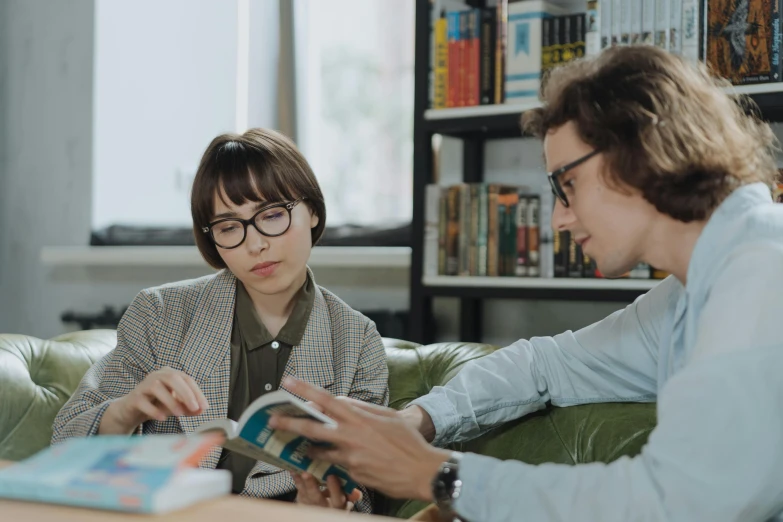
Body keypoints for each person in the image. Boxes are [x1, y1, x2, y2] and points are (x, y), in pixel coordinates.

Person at [269, 45, 783, 521]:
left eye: (568, 185)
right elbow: (546, 364)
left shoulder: (761, 271)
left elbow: (678, 502)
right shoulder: (688, 294)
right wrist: (416, 421)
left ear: (643, 149)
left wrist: (441, 475)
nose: (559, 218)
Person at [52, 128, 388, 513]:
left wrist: (323, 505)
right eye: (229, 227)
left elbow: (365, 491)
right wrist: (126, 411)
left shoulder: (358, 341)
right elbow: (65, 440)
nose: (255, 244)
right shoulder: (158, 313)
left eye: (273, 215)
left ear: (311, 210)